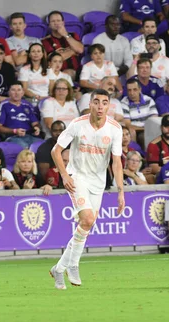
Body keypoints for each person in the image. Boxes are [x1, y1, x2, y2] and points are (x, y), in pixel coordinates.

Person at [49, 89, 124, 290]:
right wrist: (64, 175)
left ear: (109, 106)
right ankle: (73, 264)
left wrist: (121, 191)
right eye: (96, 102)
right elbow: (56, 150)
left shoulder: (115, 129)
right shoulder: (77, 125)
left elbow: (116, 163)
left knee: (85, 226)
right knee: (88, 219)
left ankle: (59, 268)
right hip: (77, 177)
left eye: (104, 103)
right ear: (90, 104)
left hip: (98, 182)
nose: (100, 106)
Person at [0, 82, 42, 148]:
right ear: (9, 93)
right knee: (24, 147)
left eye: (19, 90)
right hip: (12, 137)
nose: (16, 93)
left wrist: (37, 128)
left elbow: (36, 123)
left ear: (22, 93)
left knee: (43, 145)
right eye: (13, 90)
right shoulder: (4, 105)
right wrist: (14, 131)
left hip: (29, 136)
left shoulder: (27, 106)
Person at [41, 11, 84, 80]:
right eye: (53, 21)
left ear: (63, 23)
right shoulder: (45, 41)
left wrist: (65, 35)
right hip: (58, 73)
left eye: (58, 20)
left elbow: (80, 50)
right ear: (49, 24)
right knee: (67, 73)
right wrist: (73, 51)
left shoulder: (73, 35)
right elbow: (54, 59)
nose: (56, 23)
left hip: (77, 71)